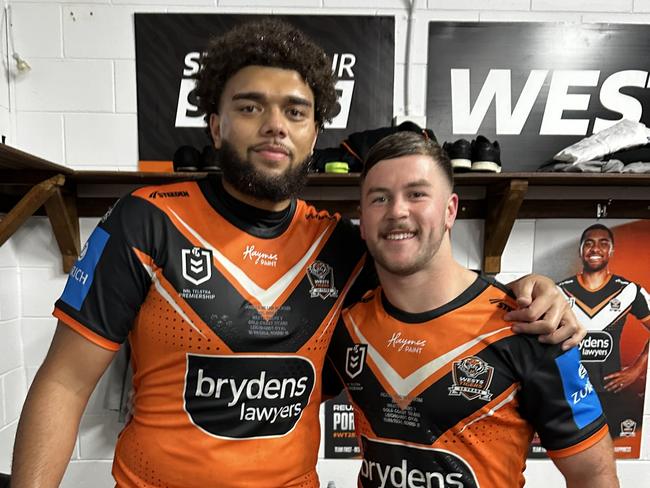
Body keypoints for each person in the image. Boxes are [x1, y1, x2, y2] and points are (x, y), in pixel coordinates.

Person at [12, 19, 581, 488]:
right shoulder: (146, 219)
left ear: (315, 135)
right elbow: (64, 384)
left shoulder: (340, 246)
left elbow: (435, 290)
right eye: (250, 107)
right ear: (214, 124)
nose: (275, 126)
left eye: (295, 111)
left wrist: (535, 288)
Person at [326, 132, 619, 488]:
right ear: (362, 219)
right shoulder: (347, 326)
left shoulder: (529, 325)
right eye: (379, 198)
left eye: (416, 194)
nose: (397, 211)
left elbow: (595, 477)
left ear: (450, 209)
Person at [557, 224, 650, 440]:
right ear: (580, 250)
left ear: (611, 251)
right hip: (567, 392)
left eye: (603, 243)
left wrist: (637, 369)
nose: (595, 248)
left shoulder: (629, 291)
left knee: (606, 455)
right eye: (588, 243)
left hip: (610, 393)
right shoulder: (558, 290)